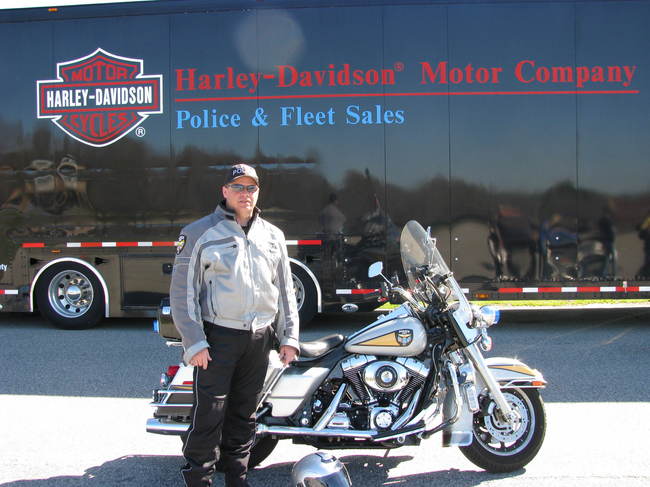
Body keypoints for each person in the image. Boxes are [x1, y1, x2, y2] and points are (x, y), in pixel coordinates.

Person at [170, 163, 300, 487]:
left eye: (251, 187)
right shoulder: (198, 233)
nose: (245, 194)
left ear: (258, 192)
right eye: (238, 187)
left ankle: (237, 480)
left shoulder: (273, 236)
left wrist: (289, 337)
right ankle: (199, 480)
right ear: (225, 191)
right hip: (218, 339)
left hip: (259, 338)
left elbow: (285, 291)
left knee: (244, 417)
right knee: (209, 417)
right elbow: (183, 293)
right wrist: (194, 342)